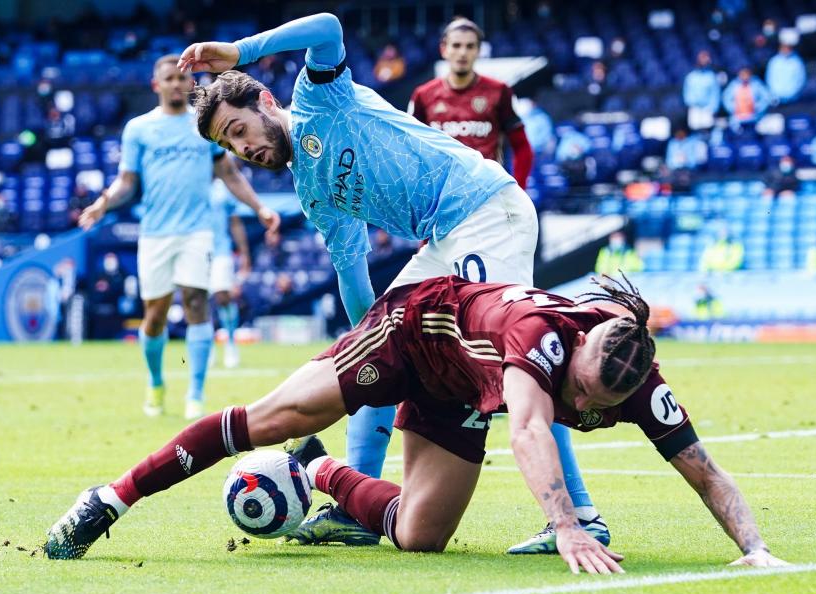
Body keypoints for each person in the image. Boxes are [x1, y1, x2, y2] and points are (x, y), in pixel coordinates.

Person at [175, 13, 598, 551]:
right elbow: (352, 269)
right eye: (231, 148)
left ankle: (581, 516)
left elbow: (327, 27)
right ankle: (356, 507)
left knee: (519, 362)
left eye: (239, 131)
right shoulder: (311, 190)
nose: (244, 150)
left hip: (486, 212)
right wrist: (371, 350)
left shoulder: (318, 100)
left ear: (263, 100)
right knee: (372, 353)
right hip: (447, 238)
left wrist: (240, 49)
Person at [44, 274, 789, 574]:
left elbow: (703, 469)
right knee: (271, 417)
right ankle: (109, 498)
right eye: (581, 393)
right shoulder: (541, 340)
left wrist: (754, 549)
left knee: (419, 536)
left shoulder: (635, 378)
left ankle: (317, 471)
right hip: (413, 329)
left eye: (597, 409)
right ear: (583, 349)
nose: (585, 410)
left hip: (463, 384)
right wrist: (564, 523)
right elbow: (529, 432)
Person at [77, 55, 280, 420]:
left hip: (197, 231)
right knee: (153, 316)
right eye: (168, 78)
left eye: (181, 78)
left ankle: (195, 394)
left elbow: (229, 174)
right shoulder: (139, 129)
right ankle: (156, 383)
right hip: (155, 233)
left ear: (191, 84)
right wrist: (102, 205)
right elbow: (127, 182)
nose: (176, 84)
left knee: (196, 303)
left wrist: (259, 208)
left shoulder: (204, 128)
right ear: (157, 85)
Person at [408, 17, 534, 187]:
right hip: (439, 196)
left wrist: (519, 190)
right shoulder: (422, 95)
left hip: (487, 195)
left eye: (470, 46)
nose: (462, 52)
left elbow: (522, 146)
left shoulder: (499, 91)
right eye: (456, 45)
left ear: (479, 50)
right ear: (444, 49)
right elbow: (409, 150)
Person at [208, 177, 259, 368]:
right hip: (196, 250)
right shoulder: (191, 183)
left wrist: (244, 253)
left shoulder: (223, 188)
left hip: (221, 250)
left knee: (223, 297)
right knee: (200, 301)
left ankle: (230, 342)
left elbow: (235, 222)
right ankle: (208, 345)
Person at [682, 51, 721, 128]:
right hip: (694, 108)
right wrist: (691, 104)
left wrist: (713, 108)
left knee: (707, 129)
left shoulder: (711, 76)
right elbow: (686, 93)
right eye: (702, 58)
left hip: (708, 108)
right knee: (696, 129)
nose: (704, 61)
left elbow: (715, 94)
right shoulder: (691, 77)